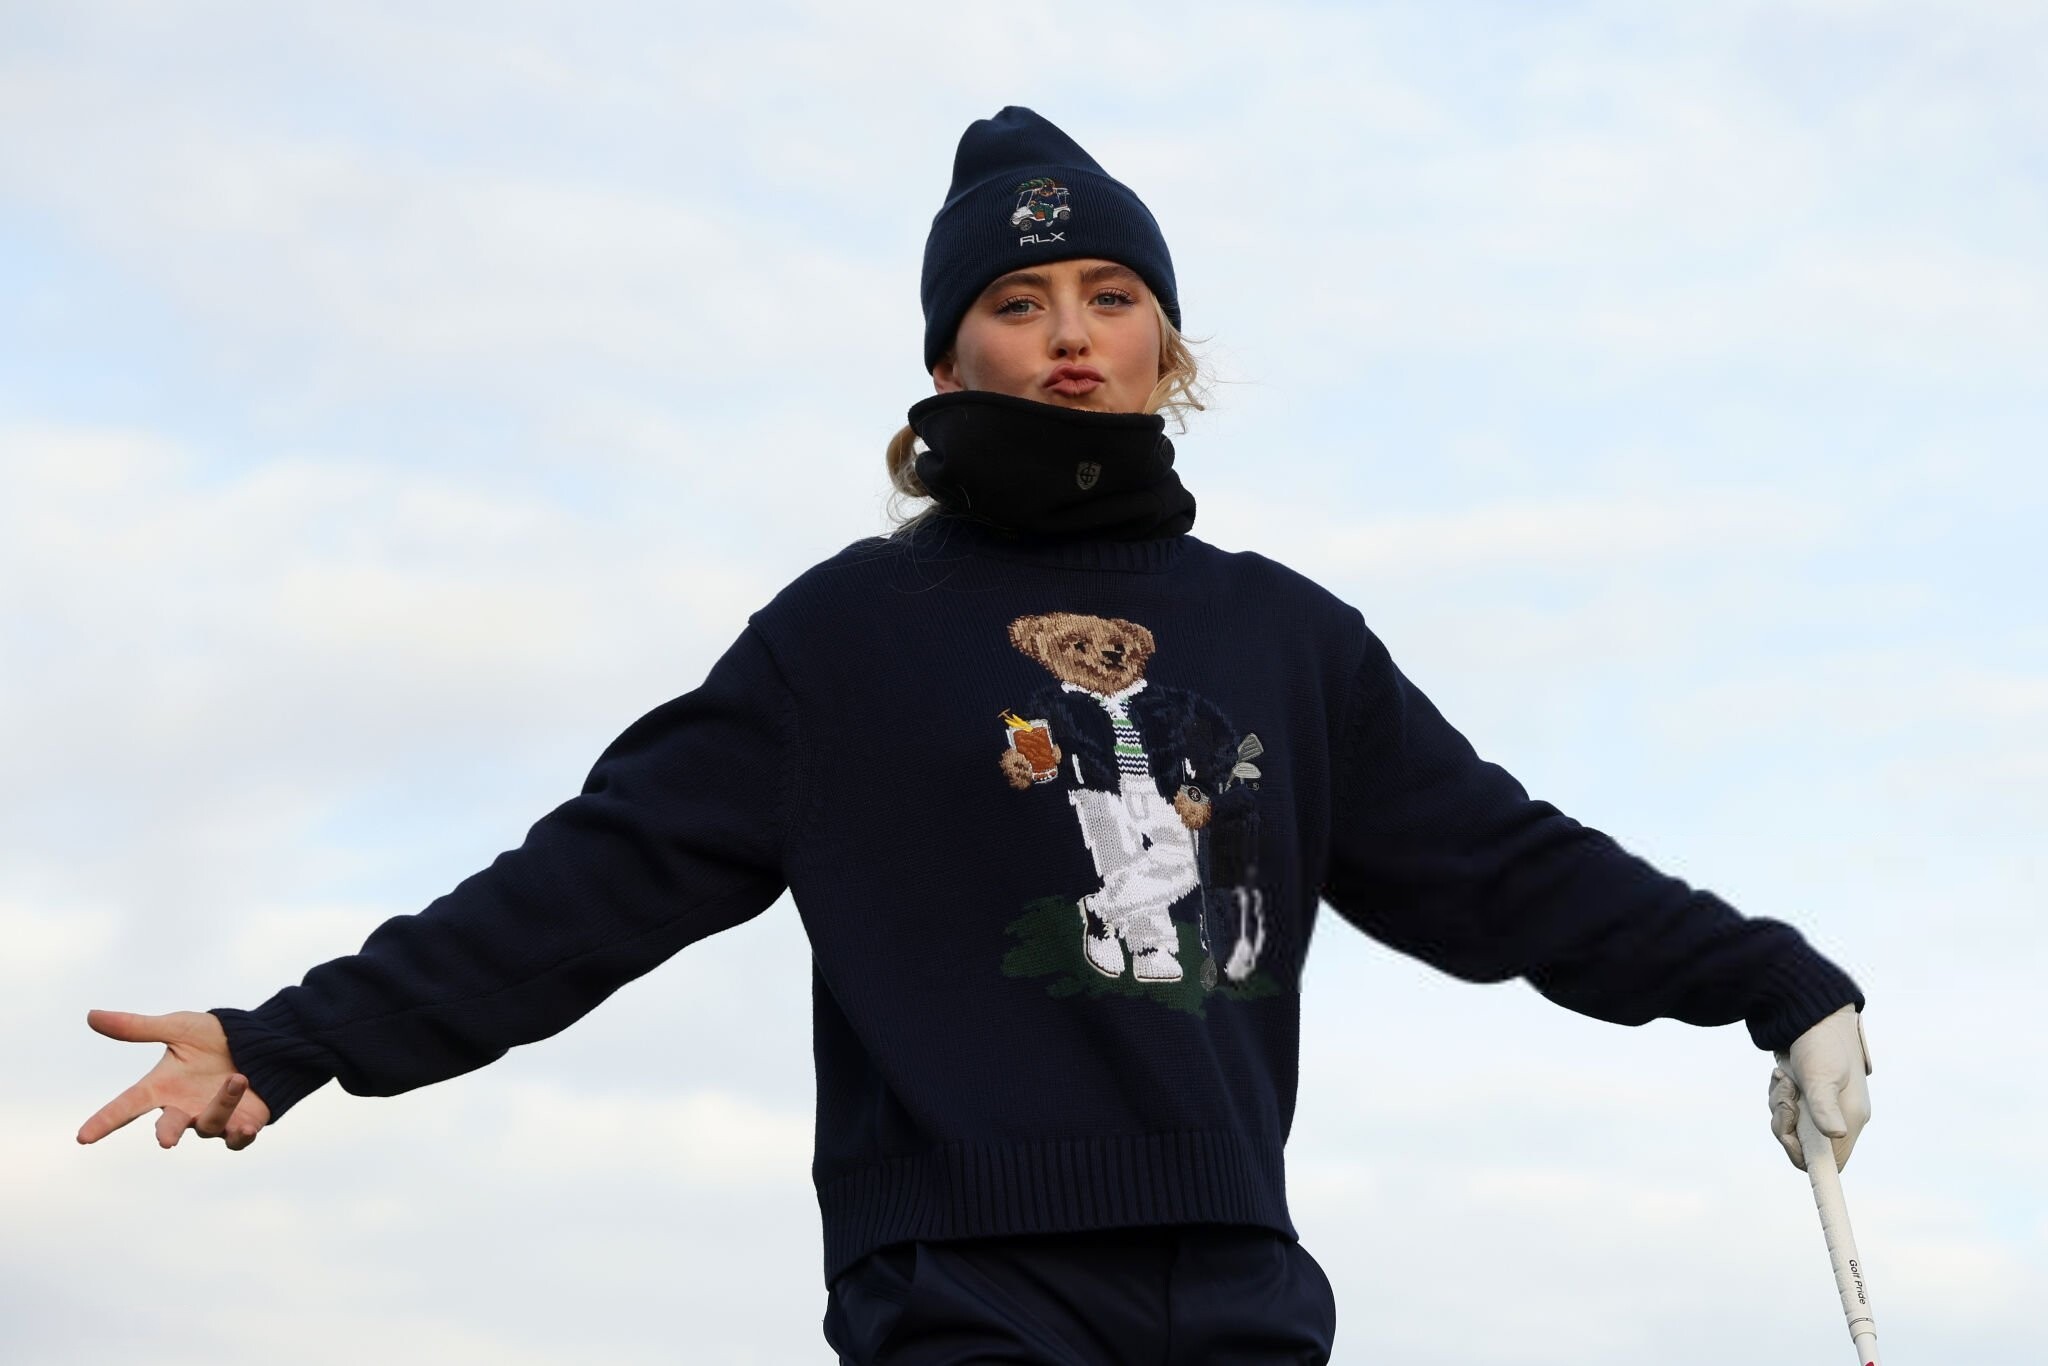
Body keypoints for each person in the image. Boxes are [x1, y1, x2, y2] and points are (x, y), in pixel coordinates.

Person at [77, 107, 1873, 1364]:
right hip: (959, 1289)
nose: (1069, 333)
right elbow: (590, 883)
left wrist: (1770, 979)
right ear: (950, 363)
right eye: (1017, 304)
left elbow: (1507, 868)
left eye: (1109, 295)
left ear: (1170, 348)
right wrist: (296, 1035)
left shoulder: (1286, 640)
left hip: (1240, 1281)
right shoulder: (843, 642)